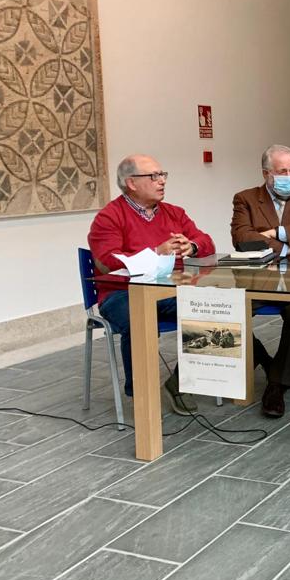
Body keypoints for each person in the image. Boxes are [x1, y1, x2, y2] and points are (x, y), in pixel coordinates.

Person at [88, 154, 216, 415]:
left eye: (163, 175)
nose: (162, 181)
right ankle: (141, 395)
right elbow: (107, 262)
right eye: (154, 176)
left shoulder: (174, 213)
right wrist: (156, 253)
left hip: (169, 290)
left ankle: (179, 383)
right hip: (121, 294)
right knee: (140, 319)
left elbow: (207, 243)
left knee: (211, 309)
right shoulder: (109, 217)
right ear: (131, 183)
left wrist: (191, 246)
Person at [231, 144, 290, 417]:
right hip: (260, 278)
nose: (289, 175)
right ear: (266, 174)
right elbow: (242, 238)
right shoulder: (246, 199)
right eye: (282, 171)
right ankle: (261, 356)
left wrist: (278, 231)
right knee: (228, 308)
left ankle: (276, 384)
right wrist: (287, 247)